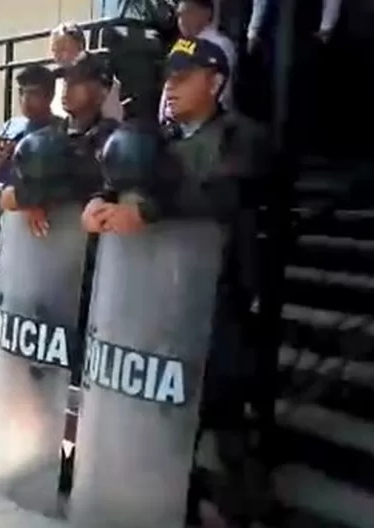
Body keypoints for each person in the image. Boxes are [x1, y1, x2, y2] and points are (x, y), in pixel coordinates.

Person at [84, 37, 270, 526]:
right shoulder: (160, 139)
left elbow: (226, 192)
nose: (171, 86)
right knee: (164, 416)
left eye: (183, 76)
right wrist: (100, 200)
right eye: (169, 76)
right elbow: (128, 176)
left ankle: (243, 509)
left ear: (216, 81)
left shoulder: (241, 135)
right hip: (159, 294)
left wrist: (146, 210)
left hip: (219, 296)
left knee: (223, 411)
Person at [0, 65, 62, 236]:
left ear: (49, 96)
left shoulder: (60, 132)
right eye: (21, 92)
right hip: (9, 216)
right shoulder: (11, 127)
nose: (25, 99)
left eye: (33, 93)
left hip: (48, 224)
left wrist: (29, 203)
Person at [158, 0, 236, 121]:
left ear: (206, 13)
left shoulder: (219, 44)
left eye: (188, 13)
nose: (182, 20)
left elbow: (220, 91)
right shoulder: (180, 45)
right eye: (179, 15)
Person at [48, 22, 124, 122]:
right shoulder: (57, 76)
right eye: (54, 50)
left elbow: (111, 115)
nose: (57, 56)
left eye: (63, 49)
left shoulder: (97, 71)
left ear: (79, 46)